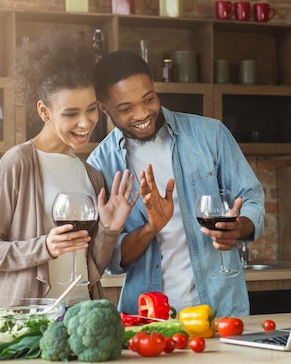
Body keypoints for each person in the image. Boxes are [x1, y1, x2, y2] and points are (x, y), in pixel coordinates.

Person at [87, 51, 265, 317]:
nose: (143, 113)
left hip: (222, 311)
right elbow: (111, 259)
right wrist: (151, 228)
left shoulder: (210, 135)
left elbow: (252, 199)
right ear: (104, 108)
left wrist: (238, 228)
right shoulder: (100, 165)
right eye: (126, 108)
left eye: (149, 99)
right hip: (146, 319)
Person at [0, 32, 138, 305]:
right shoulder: (18, 163)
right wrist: (44, 247)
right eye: (71, 114)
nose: (85, 123)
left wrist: (109, 229)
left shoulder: (91, 174)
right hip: (32, 322)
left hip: (82, 313)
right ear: (44, 111)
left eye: (91, 109)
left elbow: (91, 265)